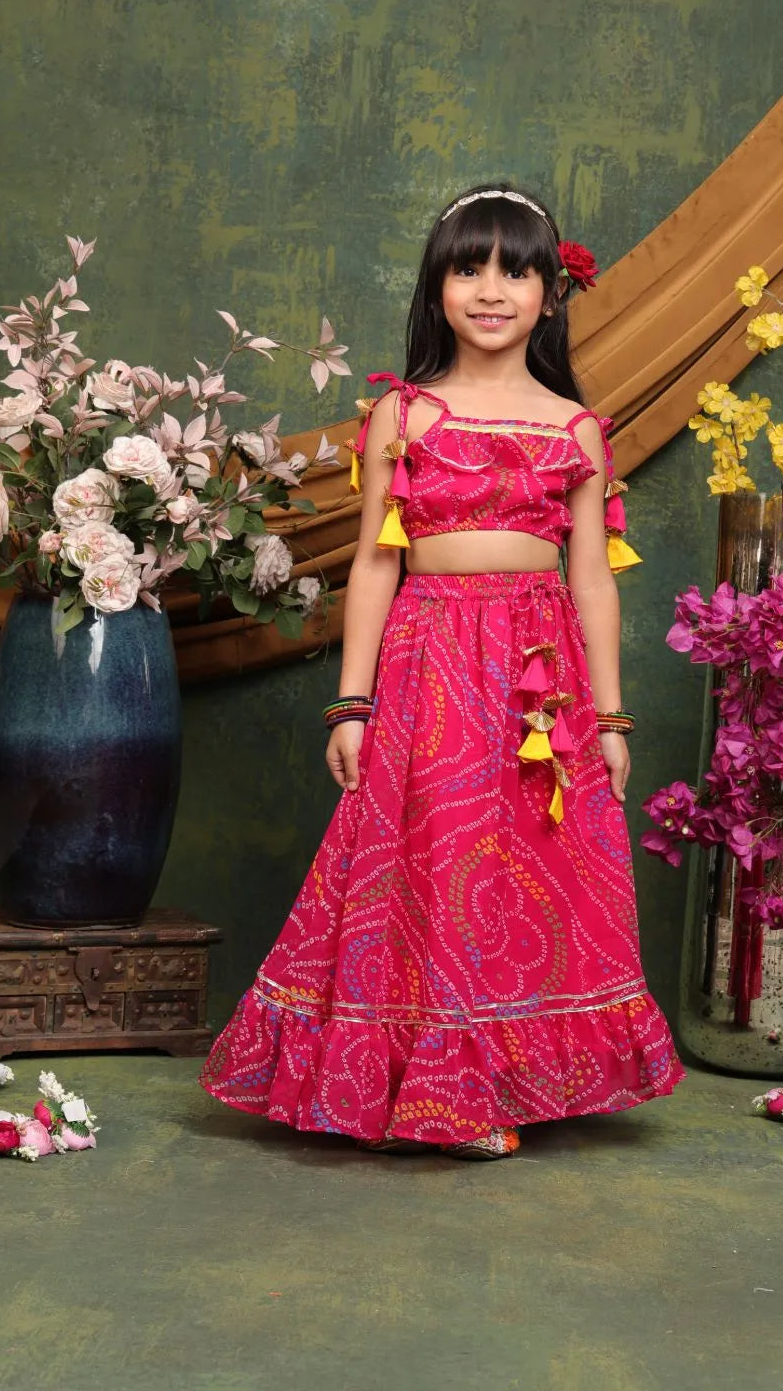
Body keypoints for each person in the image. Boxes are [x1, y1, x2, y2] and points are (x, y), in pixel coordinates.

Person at [200, 183, 684, 1159]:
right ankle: (442, 1097)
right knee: (443, 863)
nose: (492, 289)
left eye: (516, 270)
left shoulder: (575, 428)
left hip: (539, 675)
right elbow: (376, 562)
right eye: (469, 268)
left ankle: (504, 1083)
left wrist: (616, 721)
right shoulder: (404, 416)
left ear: (551, 294)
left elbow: (592, 580)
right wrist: (352, 702)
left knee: (528, 873)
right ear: (437, 289)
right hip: (430, 660)